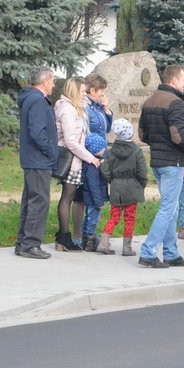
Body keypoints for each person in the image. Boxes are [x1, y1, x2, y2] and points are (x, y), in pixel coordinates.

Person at [137, 65, 184, 268]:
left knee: (172, 208)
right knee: (167, 208)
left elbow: (142, 135)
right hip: (172, 162)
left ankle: (171, 253)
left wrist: (158, 144)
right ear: (174, 81)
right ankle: (148, 251)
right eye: (183, 79)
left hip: (157, 161)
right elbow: (178, 136)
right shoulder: (176, 102)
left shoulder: (149, 101)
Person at [54, 77, 101, 252]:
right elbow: (71, 142)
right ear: (74, 92)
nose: (85, 94)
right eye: (82, 91)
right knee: (67, 198)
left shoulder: (73, 107)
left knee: (68, 197)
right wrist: (91, 158)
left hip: (75, 159)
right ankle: (64, 237)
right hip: (71, 160)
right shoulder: (67, 110)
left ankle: (64, 238)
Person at [15, 67, 58, 259]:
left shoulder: (29, 98)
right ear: (45, 81)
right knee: (39, 201)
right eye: (53, 81)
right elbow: (37, 132)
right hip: (39, 159)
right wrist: (51, 152)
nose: (54, 85)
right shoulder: (38, 100)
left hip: (32, 158)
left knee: (30, 200)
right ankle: (30, 244)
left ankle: (22, 243)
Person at [100, 119, 147, 256]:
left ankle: (103, 243)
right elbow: (142, 172)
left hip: (116, 187)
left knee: (114, 216)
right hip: (132, 187)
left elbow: (105, 168)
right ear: (131, 133)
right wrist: (141, 184)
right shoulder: (137, 151)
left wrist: (112, 180)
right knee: (130, 218)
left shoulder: (111, 151)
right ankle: (127, 248)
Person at [80, 73, 113, 251]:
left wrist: (106, 110)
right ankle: (88, 235)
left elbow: (106, 129)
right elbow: (85, 131)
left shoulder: (98, 107)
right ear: (92, 90)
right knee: (93, 195)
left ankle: (89, 234)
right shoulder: (86, 108)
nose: (102, 94)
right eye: (100, 91)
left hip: (101, 150)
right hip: (92, 151)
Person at [79, 133, 110, 252]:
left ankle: (86, 238)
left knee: (89, 217)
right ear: (96, 150)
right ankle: (90, 239)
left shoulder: (95, 161)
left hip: (91, 197)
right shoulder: (92, 166)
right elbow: (94, 185)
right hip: (94, 199)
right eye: (102, 148)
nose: (104, 150)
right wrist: (99, 201)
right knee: (92, 218)